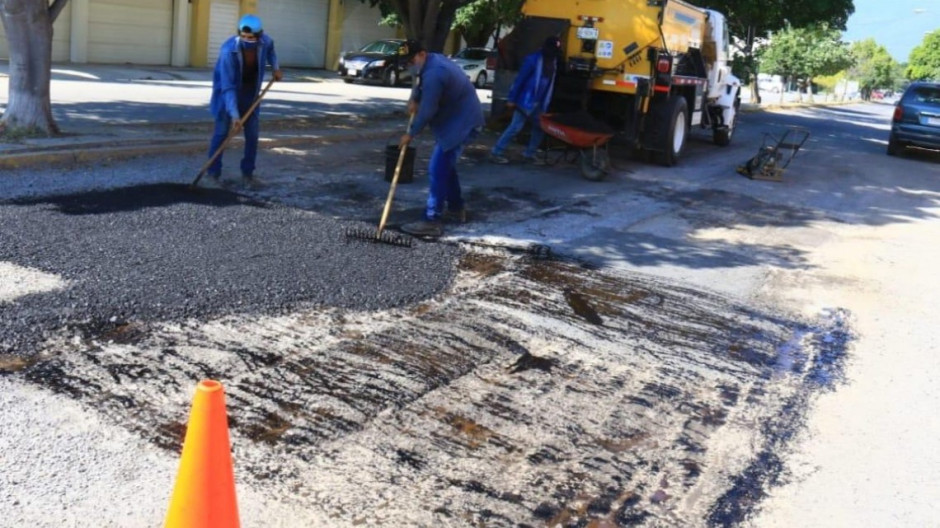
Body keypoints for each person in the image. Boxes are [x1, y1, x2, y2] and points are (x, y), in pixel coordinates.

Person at [398, 39, 485, 238]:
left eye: (410, 60)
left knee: (437, 168)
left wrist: (410, 133)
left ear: (421, 54)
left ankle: (431, 220)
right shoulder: (428, 63)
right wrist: (414, 97)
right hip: (454, 120)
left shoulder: (436, 72)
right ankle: (456, 207)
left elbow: (428, 110)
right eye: (406, 63)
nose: (409, 65)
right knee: (446, 166)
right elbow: (418, 82)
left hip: (463, 122)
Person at [207, 14, 283, 185]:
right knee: (221, 134)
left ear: (259, 36)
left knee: (252, 135)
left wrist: (276, 68)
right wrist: (235, 115)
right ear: (239, 33)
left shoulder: (265, 42)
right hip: (226, 97)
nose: (247, 40)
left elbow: (271, 50)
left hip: (251, 95)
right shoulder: (228, 51)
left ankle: (247, 173)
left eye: (251, 37)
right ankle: (213, 173)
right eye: (243, 36)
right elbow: (228, 87)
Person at [489, 36, 562, 165]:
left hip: (539, 102)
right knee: (515, 127)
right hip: (525, 100)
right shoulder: (532, 59)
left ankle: (529, 154)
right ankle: (496, 152)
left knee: (539, 128)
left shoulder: (552, 62)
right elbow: (520, 80)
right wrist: (512, 99)